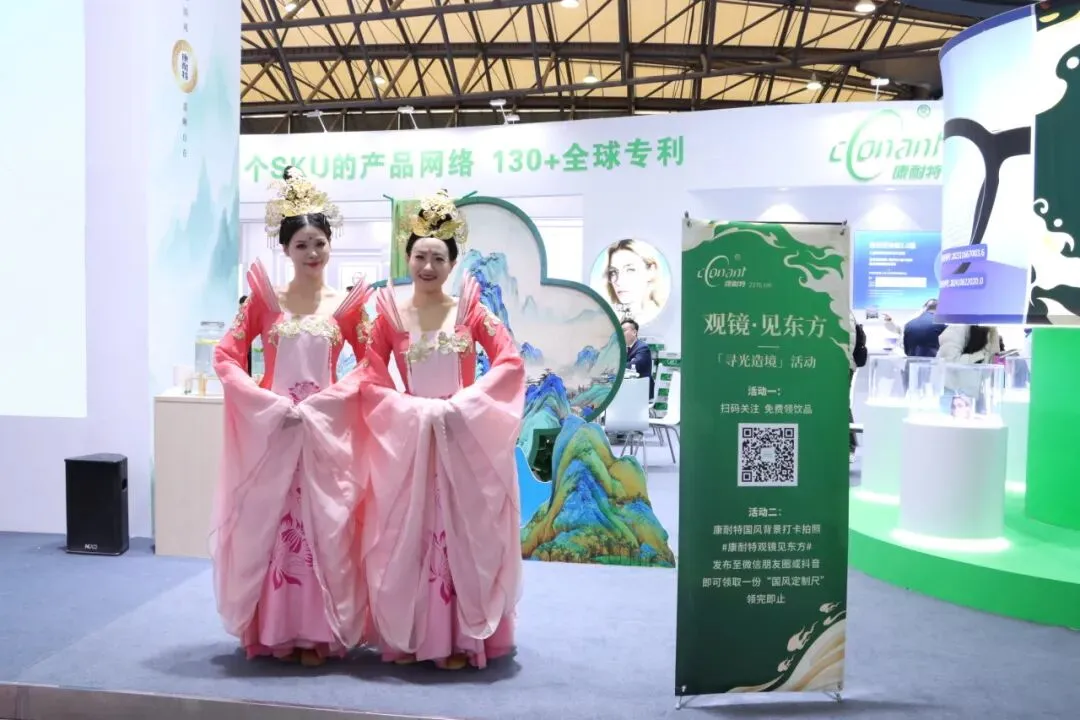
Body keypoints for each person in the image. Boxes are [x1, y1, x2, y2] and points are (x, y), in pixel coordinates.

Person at [210, 167, 374, 666]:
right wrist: (263, 403)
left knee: (327, 526)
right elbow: (226, 356)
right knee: (272, 525)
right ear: (286, 249)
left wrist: (330, 400)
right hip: (276, 428)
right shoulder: (264, 302)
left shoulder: (347, 306)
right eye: (302, 244)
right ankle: (275, 628)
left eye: (319, 243)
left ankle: (318, 632)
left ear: (330, 246)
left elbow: (371, 364)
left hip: (324, 431)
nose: (312, 253)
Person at [356, 189, 525, 671]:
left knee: (464, 534)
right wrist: (406, 408)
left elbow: (509, 362)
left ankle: (460, 639)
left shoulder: (471, 311)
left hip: (461, 436)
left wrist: (466, 404)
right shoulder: (390, 315)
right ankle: (411, 637)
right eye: (419, 257)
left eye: (437, 258)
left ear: (452, 264)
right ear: (407, 259)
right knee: (407, 535)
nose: (427, 266)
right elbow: (370, 376)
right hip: (411, 442)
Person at [936, 323, 1004, 414]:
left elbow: (992, 360)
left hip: (972, 392)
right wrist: (981, 355)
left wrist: (999, 360)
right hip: (950, 390)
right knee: (947, 420)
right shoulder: (956, 328)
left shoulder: (991, 329)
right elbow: (950, 362)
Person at [600, 239, 669, 326]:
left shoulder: (663, 317)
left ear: (651, 271)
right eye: (613, 272)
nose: (619, 281)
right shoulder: (609, 319)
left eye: (630, 270)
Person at [848, 311, 867, 463]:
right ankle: (849, 446)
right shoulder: (847, 313)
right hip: (847, 365)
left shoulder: (841, 313)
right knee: (842, 405)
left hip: (841, 366)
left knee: (839, 406)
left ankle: (848, 446)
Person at [622, 318, 654, 399]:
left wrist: (619, 366)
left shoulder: (642, 347)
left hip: (642, 391)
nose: (621, 333)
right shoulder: (625, 348)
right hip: (630, 388)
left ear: (634, 332)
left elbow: (634, 365)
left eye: (624, 330)